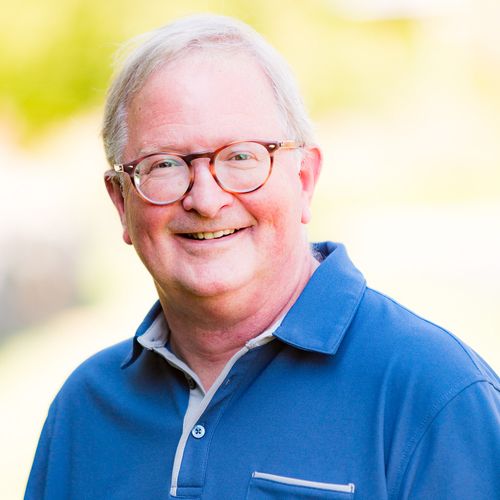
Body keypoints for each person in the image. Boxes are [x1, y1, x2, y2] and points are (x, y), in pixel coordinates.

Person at [25, 14, 499, 500]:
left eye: (241, 157)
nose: (206, 200)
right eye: (164, 164)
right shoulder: (84, 410)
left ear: (304, 179)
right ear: (121, 202)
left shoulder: (436, 396)